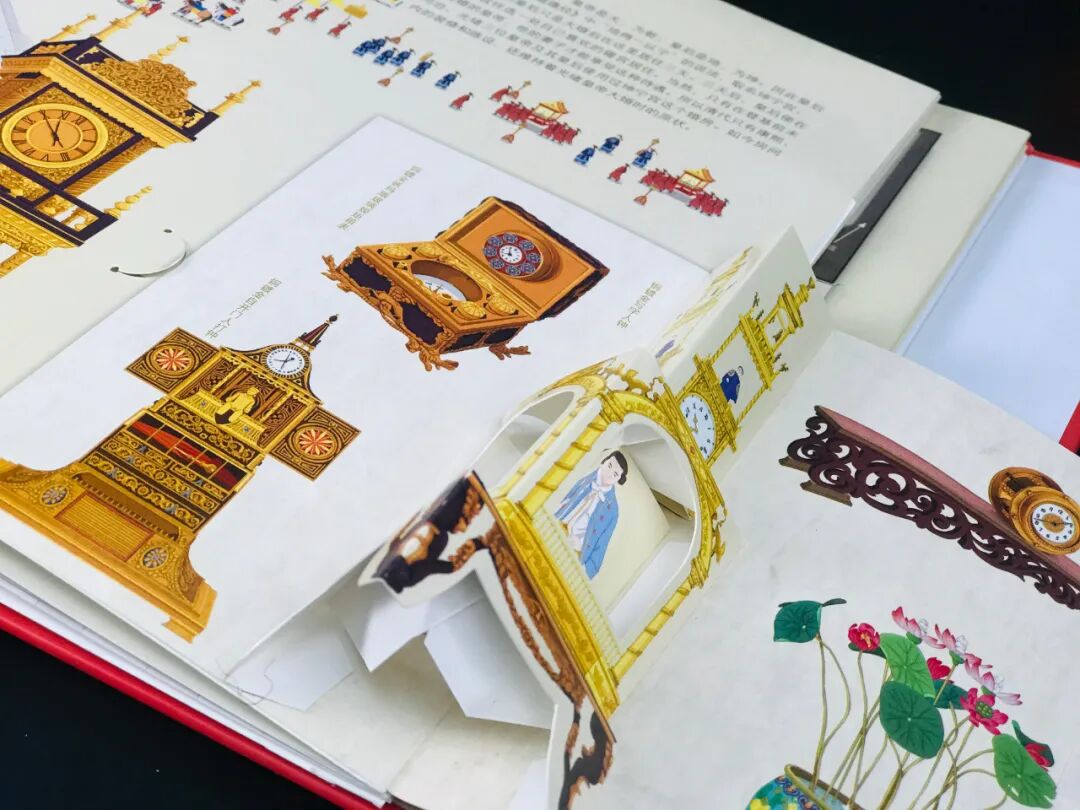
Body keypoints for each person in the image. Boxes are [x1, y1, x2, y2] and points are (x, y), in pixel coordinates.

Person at [554, 451, 629, 579]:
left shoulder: (613, 511)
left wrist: (586, 572)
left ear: (618, 479)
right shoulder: (586, 477)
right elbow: (566, 498)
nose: (609, 473)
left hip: (575, 547)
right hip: (558, 526)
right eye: (610, 465)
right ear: (604, 461)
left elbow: (602, 543)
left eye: (615, 474)